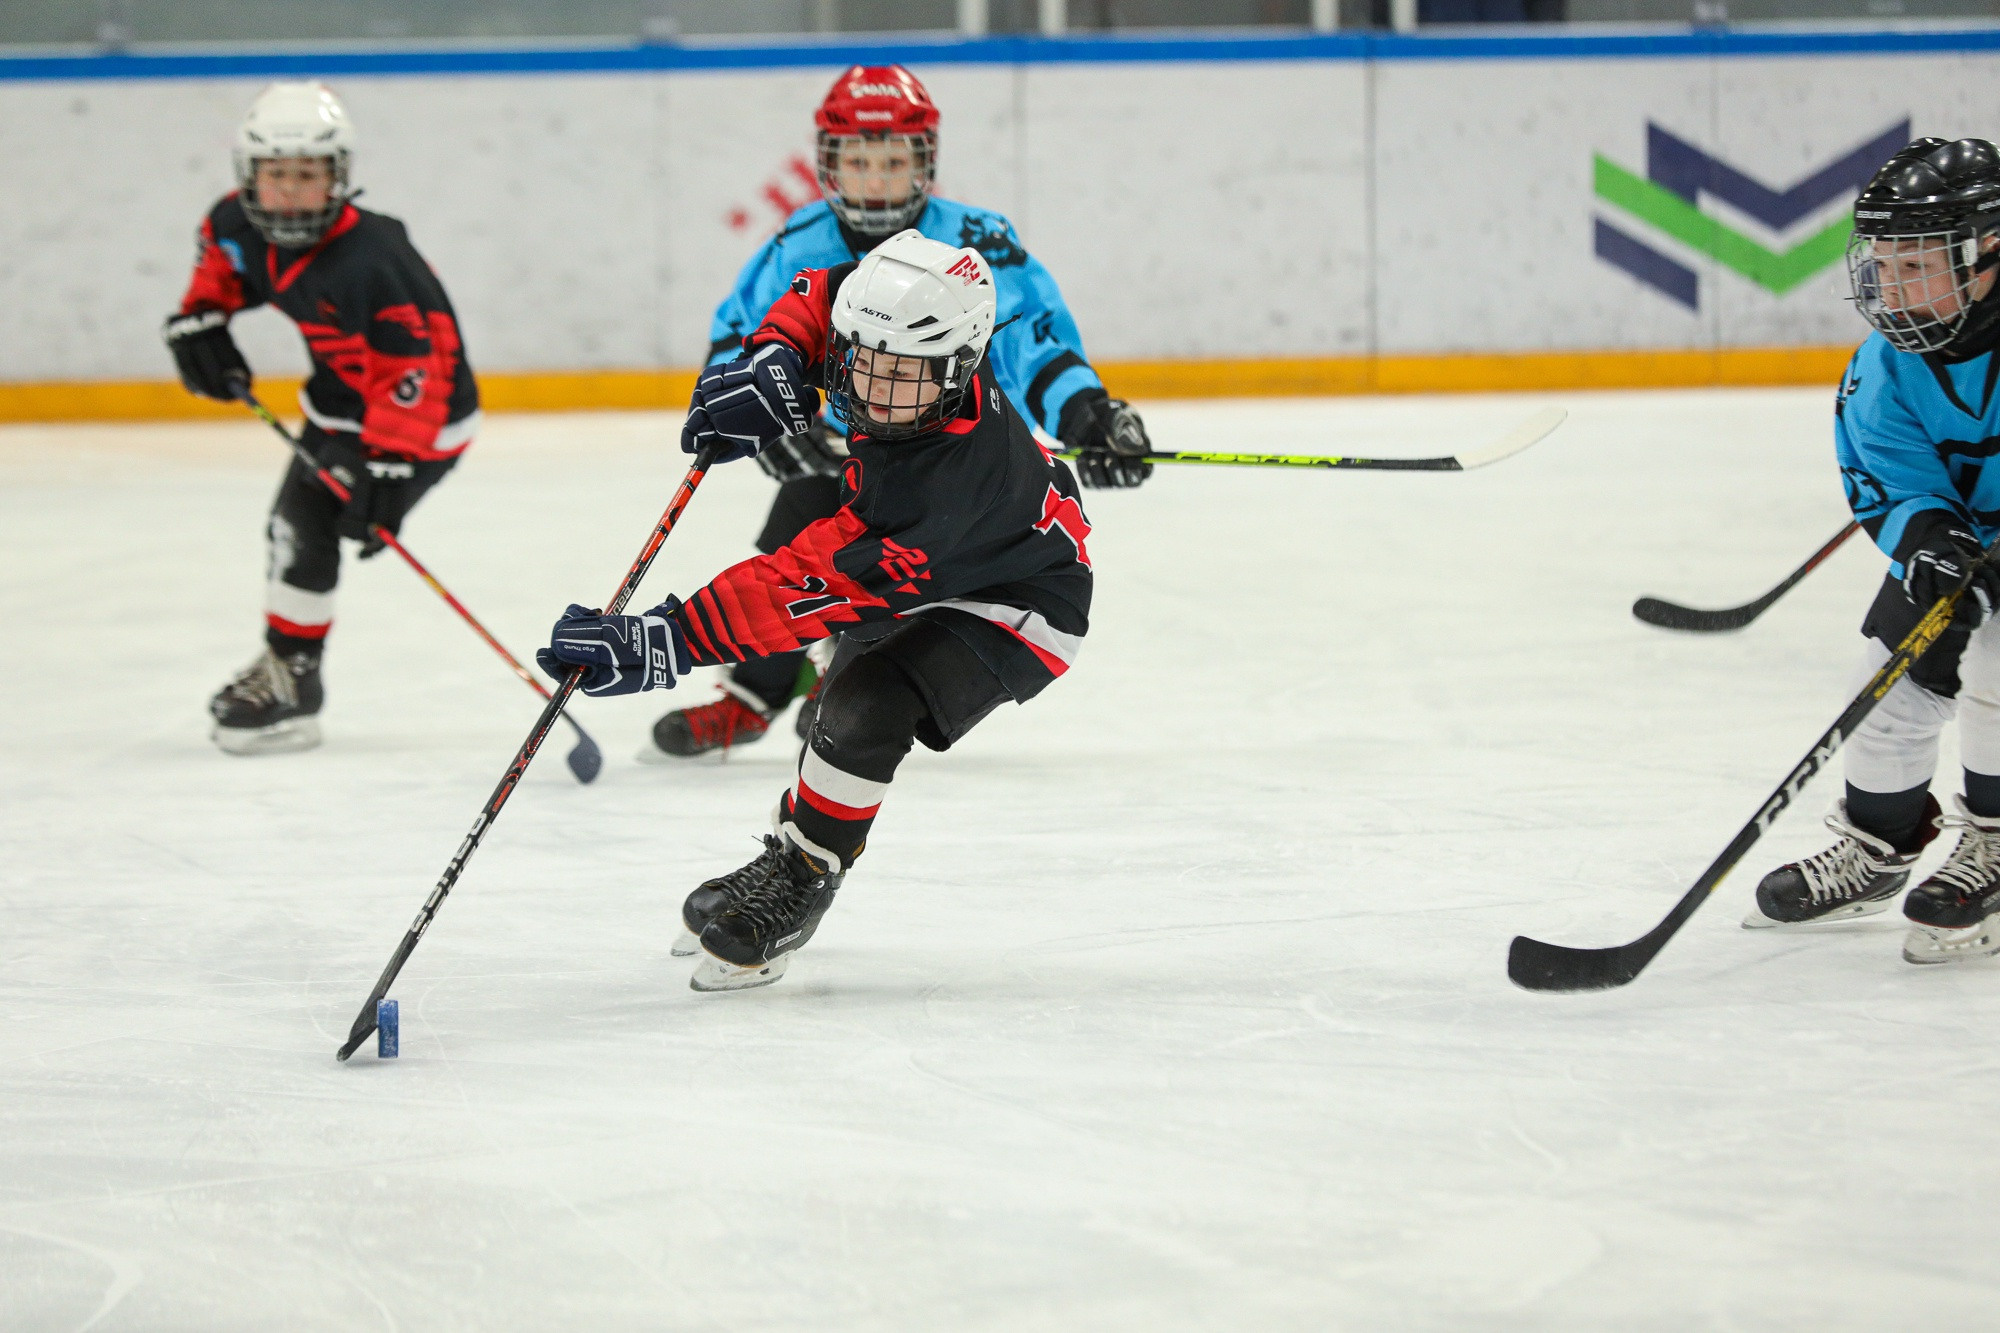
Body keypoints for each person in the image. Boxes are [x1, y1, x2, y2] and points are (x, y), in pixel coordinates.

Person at [539, 232, 1092, 992]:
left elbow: (791, 588)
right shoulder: (910, 341)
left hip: (1021, 597)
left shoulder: (933, 490)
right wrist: (774, 360)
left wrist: (657, 641)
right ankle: (781, 806)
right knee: (804, 506)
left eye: (900, 374)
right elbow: (822, 289)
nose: (869, 389)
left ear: (962, 364)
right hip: (965, 546)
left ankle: (803, 876)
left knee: (864, 705)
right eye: (860, 358)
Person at [642, 63, 1146, 762]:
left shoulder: (977, 244)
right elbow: (741, 338)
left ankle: (838, 686)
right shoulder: (798, 244)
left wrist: (1089, 414)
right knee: (794, 530)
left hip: (949, 469)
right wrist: (762, 429)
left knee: (872, 573)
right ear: (828, 164)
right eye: (858, 161)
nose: (875, 180)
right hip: (850, 448)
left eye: (893, 161)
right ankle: (756, 699)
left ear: (925, 163)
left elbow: (1037, 342)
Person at [164, 81, 479, 755]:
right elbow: (223, 273)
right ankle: (292, 673)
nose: (289, 193)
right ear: (249, 177)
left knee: (305, 518)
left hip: (423, 422)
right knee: (294, 524)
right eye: (275, 176)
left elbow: (417, 372)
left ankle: (293, 678)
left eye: (308, 176)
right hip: (336, 405)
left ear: (339, 178)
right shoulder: (234, 225)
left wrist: (390, 470)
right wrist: (200, 324)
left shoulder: (374, 260)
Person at [1748, 137, 2000, 964]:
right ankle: (1879, 846)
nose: (1890, 288)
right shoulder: (1885, 369)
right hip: (1973, 544)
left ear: (1989, 251)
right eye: (1882, 264)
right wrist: (1929, 541)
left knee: (1998, 662)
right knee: (1890, 664)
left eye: (1916, 263)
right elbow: (1887, 476)